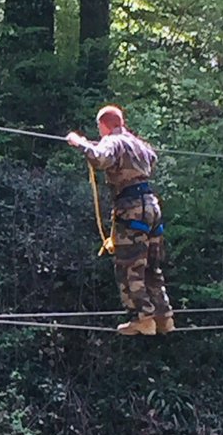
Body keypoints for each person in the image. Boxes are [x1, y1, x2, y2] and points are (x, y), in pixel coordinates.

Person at [67, 105, 173, 336]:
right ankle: (164, 317)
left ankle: (143, 318)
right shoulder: (137, 143)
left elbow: (101, 159)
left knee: (129, 266)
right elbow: (152, 158)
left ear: (104, 125)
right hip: (152, 207)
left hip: (131, 209)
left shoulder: (112, 140)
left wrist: (80, 142)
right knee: (151, 267)